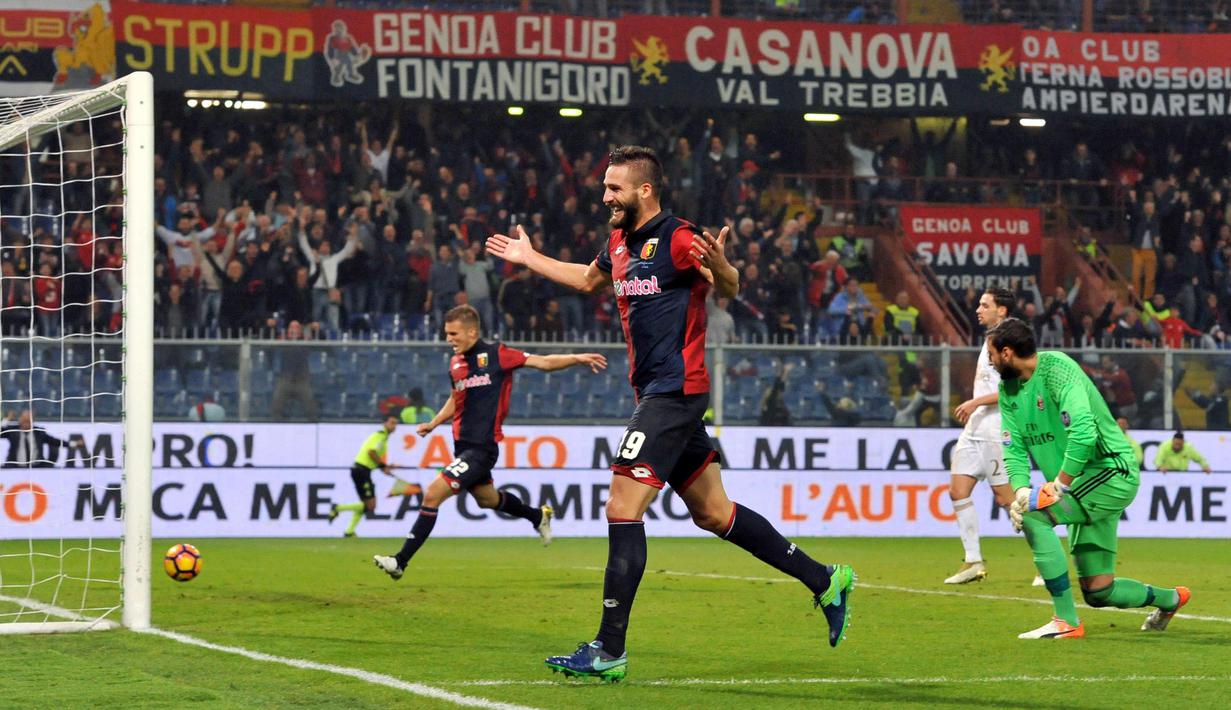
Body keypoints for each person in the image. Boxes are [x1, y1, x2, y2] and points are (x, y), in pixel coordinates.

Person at [487, 145, 854, 682]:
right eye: (604, 186)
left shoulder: (680, 238)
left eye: (614, 188)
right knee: (714, 514)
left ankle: (609, 649)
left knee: (621, 505)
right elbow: (588, 280)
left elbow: (727, 287)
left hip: (674, 393)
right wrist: (530, 258)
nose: (604, 196)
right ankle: (825, 579)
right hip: (657, 394)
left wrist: (724, 266)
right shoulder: (618, 240)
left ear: (644, 190)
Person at [989, 318, 1190, 639]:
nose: (989, 360)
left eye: (992, 354)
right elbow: (1012, 448)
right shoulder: (1007, 390)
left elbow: (1083, 433)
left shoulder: (1057, 369)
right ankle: (1172, 599)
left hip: (1110, 470)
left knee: (1036, 519)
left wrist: (1057, 485)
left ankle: (1066, 621)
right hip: (1082, 484)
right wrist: (1021, 491)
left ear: (1008, 353)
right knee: (1099, 591)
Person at [373, 304, 607, 576]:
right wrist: (434, 423)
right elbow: (455, 398)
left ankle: (400, 561)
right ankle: (537, 516)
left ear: (472, 331)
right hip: (462, 448)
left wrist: (577, 358)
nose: (448, 339)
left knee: (433, 493)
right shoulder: (456, 363)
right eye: (446, 333)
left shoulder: (498, 354)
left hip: (481, 449)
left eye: (453, 333)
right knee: (487, 500)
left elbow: (542, 363)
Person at [944, 288, 1017, 585]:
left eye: (985, 305)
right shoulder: (988, 339)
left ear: (1001, 310)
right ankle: (973, 561)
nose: (978, 309)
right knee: (958, 492)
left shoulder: (1010, 342)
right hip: (974, 429)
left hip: (996, 429)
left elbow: (1011, 390)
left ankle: (1045, 558)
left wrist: (974, 402)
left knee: (1007, 499)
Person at [329, 414, 402, 538]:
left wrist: (386, 467)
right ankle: (338, 508)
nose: (394, 426)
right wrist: (384, 466)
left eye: (396, 423)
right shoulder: (380, 435)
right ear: (385, 423)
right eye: (392, 423)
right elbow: (371, 452)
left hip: (361, 470)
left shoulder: (383, 438)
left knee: (365, 505)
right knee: (371, 505)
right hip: (361, 471)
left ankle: (349, 532)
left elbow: (374, 459)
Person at [1, 410, 76, 468]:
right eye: (24, 421)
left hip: (36, 468)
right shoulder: (12, 431)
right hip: (14, 468)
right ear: (20, 420)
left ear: (32, 421)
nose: (26, 423)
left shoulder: (39, 432)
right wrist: (7, 419)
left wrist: (73, 444)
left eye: (28, 421)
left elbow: (54, 441)